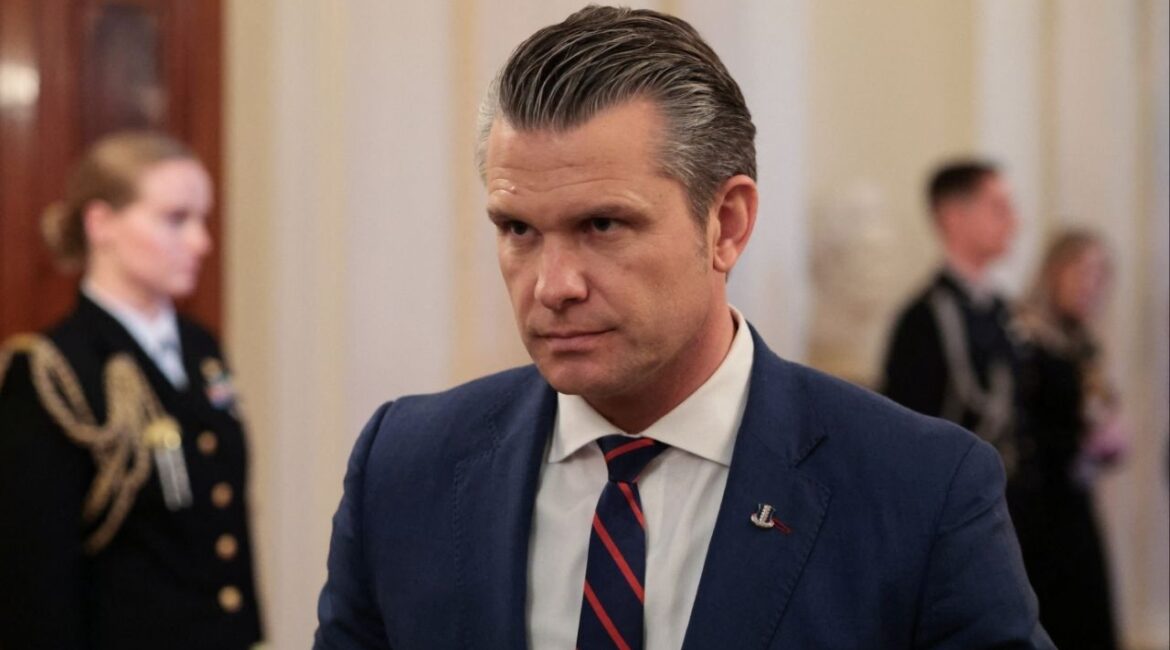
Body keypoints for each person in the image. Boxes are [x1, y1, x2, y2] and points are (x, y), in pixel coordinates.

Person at [315, 7, 1050, 649]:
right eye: (517, 229)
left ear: (726, 224)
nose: (553, 285)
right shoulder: (404, 468)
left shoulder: (920, 488)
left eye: (602, 224)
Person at [0, 132, 263, 649]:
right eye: (175, 218)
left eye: (202, 219)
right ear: (101, 224)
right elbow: (33, 579)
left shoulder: (199, 346)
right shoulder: (53, 371)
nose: (201, 242)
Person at [1012, 230, 1124, 650]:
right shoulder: (1025, 336)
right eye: (1082, 270)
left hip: (1075, 504)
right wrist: (1082, 442)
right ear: (1053, 272)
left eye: (1100, 274)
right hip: (1035, 510)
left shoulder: (1083, 343)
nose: (1090, 284)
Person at [882, 160, 1021, 470]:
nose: (1014, 222)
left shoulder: (1002, 310)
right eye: (999, 208)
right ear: (954, 217)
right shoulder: (924, 319)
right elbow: (910, 430)